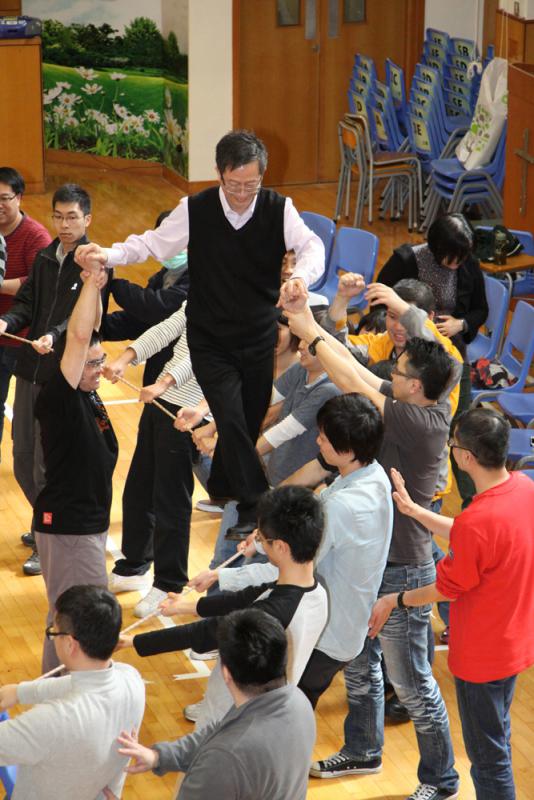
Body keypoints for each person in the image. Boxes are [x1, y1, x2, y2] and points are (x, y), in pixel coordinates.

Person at [75, 129, 324, 540]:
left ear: (262, 176)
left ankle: (225, 486)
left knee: (246, 420)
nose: (242, 194)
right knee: (229, 414)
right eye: (233, 184)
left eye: (251, 185)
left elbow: (312, 246)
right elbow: (152, 244)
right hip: (210, 337)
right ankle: (257, 505)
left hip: (258, 335)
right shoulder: (195, 208)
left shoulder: (279, 209)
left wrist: (299, 277)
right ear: (219, 173)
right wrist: (109, 253)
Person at [285, 302, 459, 800]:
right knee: (360, 666)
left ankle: (442, 780)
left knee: (413, 685)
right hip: (375, 563)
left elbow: (351, 382)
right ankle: (363, 749)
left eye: (399, 372)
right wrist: (311, 325)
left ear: (415, 387)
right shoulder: (410, 402)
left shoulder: (420, 421)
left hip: (404, 570)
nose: (391, 373)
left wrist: (309, 332)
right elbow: (355, 370)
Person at [369, 408, 534, 800]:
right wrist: (415, 511)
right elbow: (477, 537)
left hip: (481, 657)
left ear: (466, 457)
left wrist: (396, 599)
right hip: (513, 644)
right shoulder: (523, 489)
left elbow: (447, 588)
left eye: (453, 444)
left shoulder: (479, 519)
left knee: (488, 760)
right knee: (498, 740)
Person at [200, 394, 393, 720]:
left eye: (324, 437)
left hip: (324, 635)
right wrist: (265, 542)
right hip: (344, 625)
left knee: (281, 717)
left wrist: (222, 576)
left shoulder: (342, 507)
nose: (318, 441)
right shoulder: (373, 475)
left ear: (347, 450)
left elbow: (292, 571)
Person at [120, 485, 328, 730]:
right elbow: (242, 598)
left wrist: (133, 641)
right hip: (261, 709)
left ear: (281, 547)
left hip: (234, 716)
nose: (258, 542)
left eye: (262, 539)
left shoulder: (271, 614)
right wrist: (185, 607)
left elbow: (205, 633)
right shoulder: (313, 588)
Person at [112, 608, 315, 800]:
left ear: (225, 673)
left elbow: (225, 748)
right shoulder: (297, 702)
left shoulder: (225, 758)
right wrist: (160, 756)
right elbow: (220, 732)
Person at [0, 183, 90, 576]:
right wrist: (8, 321)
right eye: (58, 216)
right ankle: (45, 521)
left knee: (45, 465)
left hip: (62, 378)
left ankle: (49, 534)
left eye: (72, 217)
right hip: (29, 370)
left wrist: (53, 335)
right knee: (22, 459)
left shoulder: (94, 265)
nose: (64, 225)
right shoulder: (44, 258)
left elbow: (80, 317)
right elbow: (26, 302)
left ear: (87, 219)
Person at [33, 266, 118, 672]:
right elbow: (80, 337)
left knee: (70, 616)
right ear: (70, 362)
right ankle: (59, 693)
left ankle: (58, 693)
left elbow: (91, 329)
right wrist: (87, 282)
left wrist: (96, 285)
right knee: (77, 620)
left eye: (102, 362)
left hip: (87, 524)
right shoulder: (61, 396)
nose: (99, 369)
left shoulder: (88, 391)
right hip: (70, 529)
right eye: (91, 364)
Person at [104, 303, 209, 618]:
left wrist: (163, 383)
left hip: (190, 411)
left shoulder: (233, 302)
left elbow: (203, 353)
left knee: (171, 502)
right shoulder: (201, 292)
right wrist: (125, 358)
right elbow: (167, 328)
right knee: (139, 489)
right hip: (162, 401)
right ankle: (134, 564)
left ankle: (169, 583)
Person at [376, 212, 488, 508]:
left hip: (449, 356)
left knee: (459, 428)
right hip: (407, 357)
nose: (457, 264)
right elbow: (380, 301)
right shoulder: (407, 260)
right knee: (406, 422)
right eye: (451, 258)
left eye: (462, 258)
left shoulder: (468, 264)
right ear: (437, 248)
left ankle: (471, 500)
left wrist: (461, 324)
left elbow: (481, 310)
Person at [0, 585, 145, 800]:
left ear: (70, 644)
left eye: (53, 632)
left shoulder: (51, 721)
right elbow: (79, 685)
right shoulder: (131, 678)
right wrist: (20, 692)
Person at [0, 167, 51, 458]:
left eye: (4, 198)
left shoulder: (36, 236)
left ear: (19, 197)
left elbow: (38, 284)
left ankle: (30, 465)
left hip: (23, 339)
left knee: (27, 412)